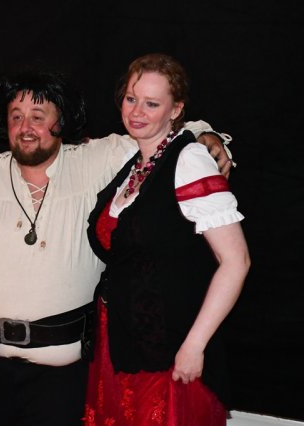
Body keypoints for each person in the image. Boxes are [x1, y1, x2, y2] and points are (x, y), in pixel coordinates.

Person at [0, 70, 232, 425]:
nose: (26, 127)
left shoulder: (97, 160)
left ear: (62, 121)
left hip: (62, 378)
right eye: (16, 116)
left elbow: (161, 131)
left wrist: (206, 134)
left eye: (38, 117)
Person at [83, 53, 250, 425]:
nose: (137, 112)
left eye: (152, 103)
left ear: (175, 110)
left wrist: (195, 345)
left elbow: (236, 262)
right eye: (131, 99)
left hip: (169, 350)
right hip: (120, 341)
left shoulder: (190, 160)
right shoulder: (135, 163)